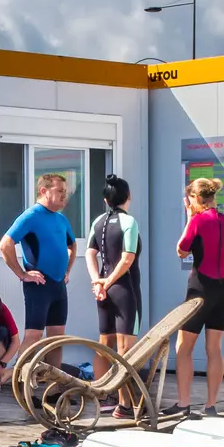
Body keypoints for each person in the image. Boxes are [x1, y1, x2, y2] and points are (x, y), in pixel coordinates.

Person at [172, 177, 224, 416]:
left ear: (195, 199)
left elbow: (181, 251)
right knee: (214, 348)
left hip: (200, 289)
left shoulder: (198, 221)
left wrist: (190, 218)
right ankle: (211, 405)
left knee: (183, 347)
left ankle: (183, 404)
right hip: (223, 288)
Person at [0, 173, 77, 363]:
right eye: (59, 191)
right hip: (39, 285)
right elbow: (5, 244)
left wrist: (67, 271)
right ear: (44, 191)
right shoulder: (31, 216)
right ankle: (21, 383)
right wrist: (22, 274)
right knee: (33, 336)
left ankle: (54, 388)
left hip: (58, 285)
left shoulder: (61, 219)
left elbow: (72, 245)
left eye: (65, 192)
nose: (64, 196)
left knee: (56, 339)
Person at [86, 174, 142, 419]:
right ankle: (125, 405)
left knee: (103, 344)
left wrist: (98, 281)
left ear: (106, 200)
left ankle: (103, 397)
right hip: (124, 289)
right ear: (128, 197)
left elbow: (90, 253)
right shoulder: (129, 222)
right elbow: (128, 258)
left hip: (103, 290)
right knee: (124, 349)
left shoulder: (98, 221)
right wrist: (109, 282)